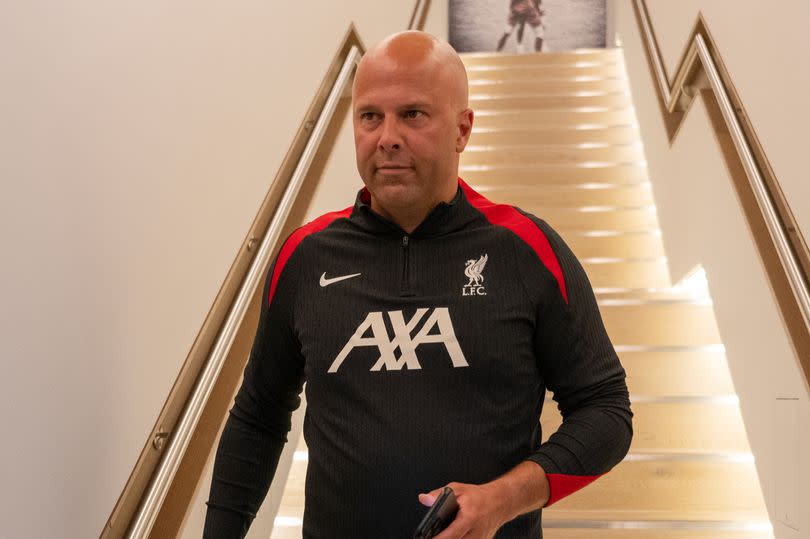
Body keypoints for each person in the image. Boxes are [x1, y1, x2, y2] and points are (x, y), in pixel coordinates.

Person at [204, 30, 632, 538]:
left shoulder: (526, 250)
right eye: (370, 116)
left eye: (413, 114)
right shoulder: (305, 257)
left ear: (462, 129)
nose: (387, 137)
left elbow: (606, 412)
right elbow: (257, 417)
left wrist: (502, 499)